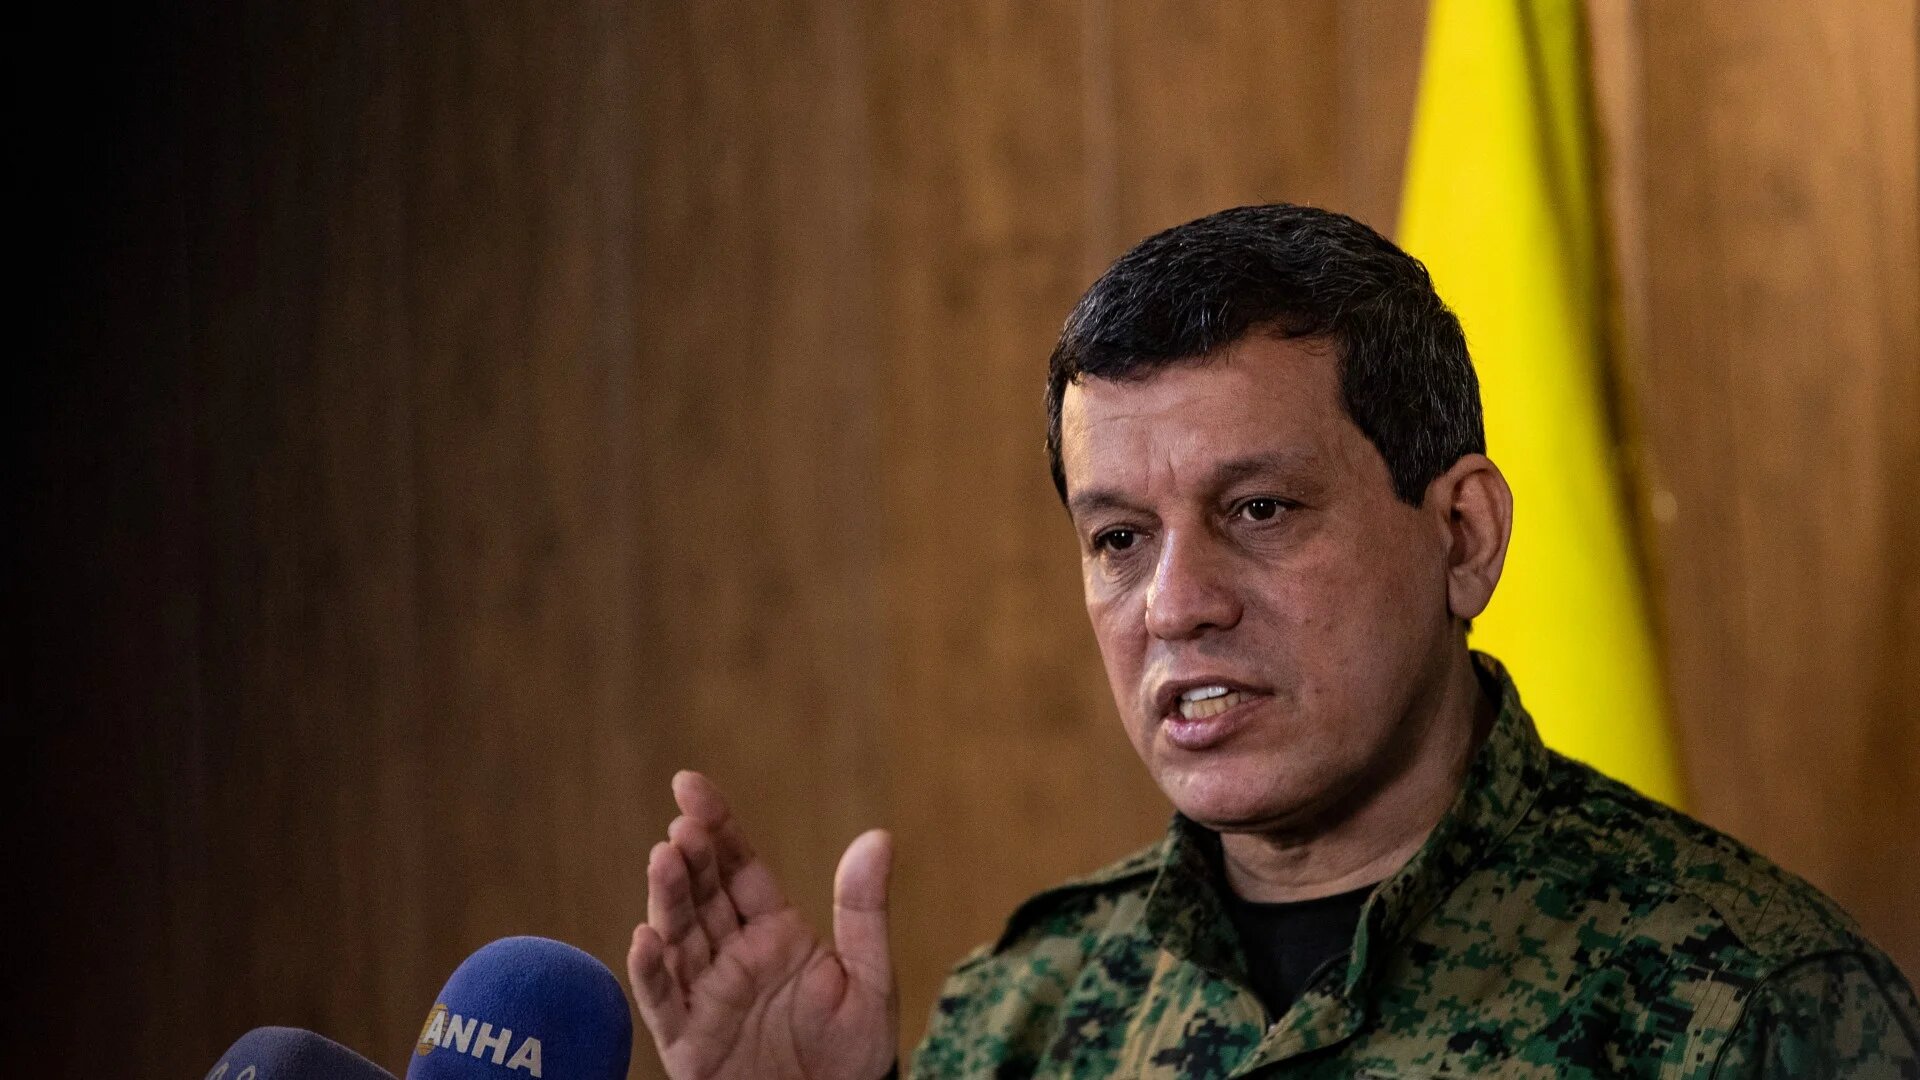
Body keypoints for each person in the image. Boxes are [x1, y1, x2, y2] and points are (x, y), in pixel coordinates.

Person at [625, 204, 1920, 1078]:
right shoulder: (1024, 1016)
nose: (1176, 604)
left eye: (1258, 510)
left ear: (1462, 535)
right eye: (1119, 538)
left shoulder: (1753, 1007)